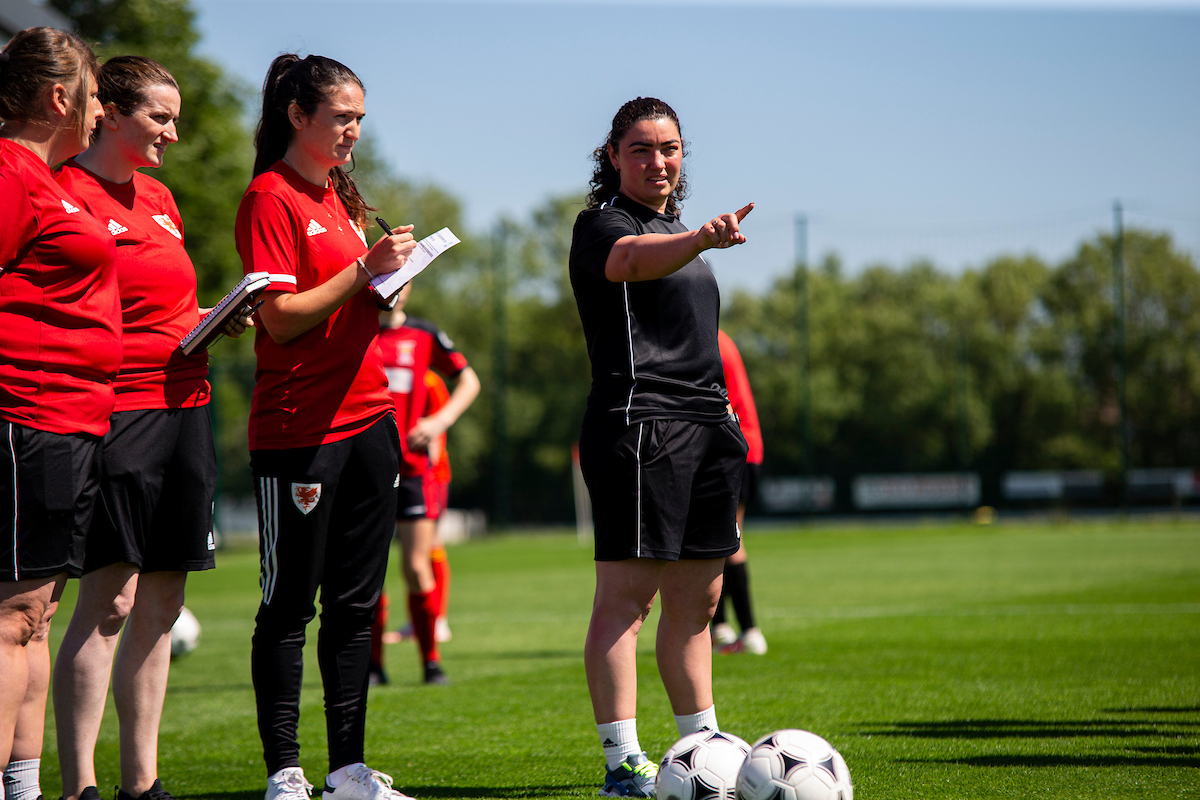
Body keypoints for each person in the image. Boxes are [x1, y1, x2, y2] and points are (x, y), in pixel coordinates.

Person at [51, 55, 250, 800]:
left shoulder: (161, 197)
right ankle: (79, 785)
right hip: (117, 413)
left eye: (175, 117)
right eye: (159, 117)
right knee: (111, 601)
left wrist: (217, 319)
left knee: (164, 603)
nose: (172, 131)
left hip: (188, 408)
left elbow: (164, 310)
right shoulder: (63, 190)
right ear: (109, 113)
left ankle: (143, 781)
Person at [236, 53, 418, 800]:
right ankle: (285, 772)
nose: (353, 132)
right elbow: (280, 319)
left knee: (356, 609)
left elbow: (359, 303)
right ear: (297, 116)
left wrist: (389, 283)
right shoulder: (268, 196)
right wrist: (363, 269)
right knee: (288, 608)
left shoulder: (343, 196)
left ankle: (348, 771)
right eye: (342, 117)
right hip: (300, 429)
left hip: (371, 420)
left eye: (359, 119)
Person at [568, 96, 753, 798]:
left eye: (669, 147)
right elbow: (627, 263)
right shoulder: (604, 224)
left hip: (707, 427)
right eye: (641, 148)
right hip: (641, 424)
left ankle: (701, 749)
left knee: (699, 602)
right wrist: (700, 240)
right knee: (627, 602)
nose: (658, 161)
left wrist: (724, 421)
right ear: (612, 156)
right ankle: (623, 762)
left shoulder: (678, 230)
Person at [0, 26, 114, 800]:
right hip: (27, 418)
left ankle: (25, 786)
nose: (102, 112)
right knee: (12, 616)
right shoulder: (10, 171)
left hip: (71, 422)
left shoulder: (51, 179)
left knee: (35, 617)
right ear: (58, 97)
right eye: (95, 96)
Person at [376, 282, 479, 685]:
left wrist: (439, 421)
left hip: (413, 469)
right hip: (364, 468)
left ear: (411, 286)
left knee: (418, 567)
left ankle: (431, 663)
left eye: (401, 281)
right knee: (370, 572)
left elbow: (469, 381)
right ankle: (373, 667)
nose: (392, 289)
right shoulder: (354, 330)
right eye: (384, 279)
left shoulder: (423, 334)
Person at [372, 371, 458, 685]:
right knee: (372, 567)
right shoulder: (374, 372)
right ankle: (374, 664)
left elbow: (439, 425)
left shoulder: (429, 380)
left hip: (424, 474)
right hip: (380, 469)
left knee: (425, 553)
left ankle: (436, 628)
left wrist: (429, 462)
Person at [710, 329, 767, 656]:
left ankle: (748, 631)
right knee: (718, 537)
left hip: (733, 448)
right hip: (742, 446)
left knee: (728, 538)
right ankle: (721, 627)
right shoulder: (721, 337)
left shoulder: (709, 338)